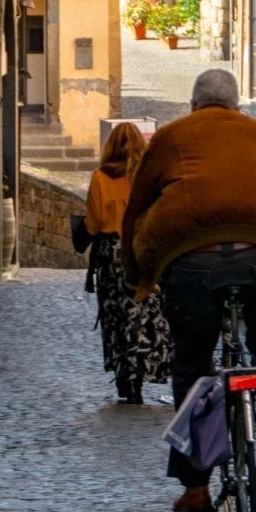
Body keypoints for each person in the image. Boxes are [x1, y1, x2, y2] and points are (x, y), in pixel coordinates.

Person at [120, 67, 256, 512]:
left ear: (194, 106)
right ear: (234, 106)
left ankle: (196, 485)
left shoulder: (170, 138)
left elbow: (136, 210)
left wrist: (137, 273)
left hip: (192, 264)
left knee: (193, 362)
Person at [85, 121, 172, 403]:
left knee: (116, 316)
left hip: (112, 254)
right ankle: (141, 373)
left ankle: (125, 376)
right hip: (143, 248)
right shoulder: (148, 178)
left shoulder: (100, 178)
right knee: (143, 313)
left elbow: (95, 222)